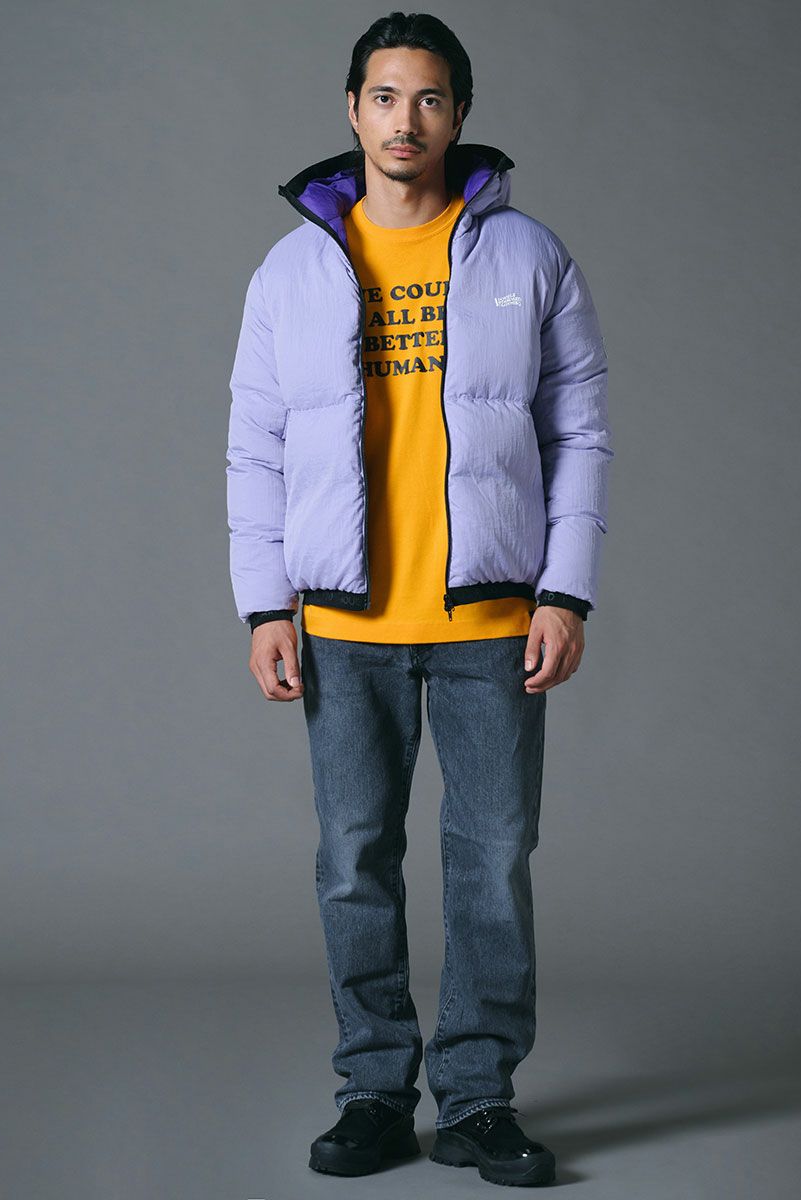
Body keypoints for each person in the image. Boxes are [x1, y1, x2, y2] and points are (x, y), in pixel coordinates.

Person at [226, 11, 611, 1188]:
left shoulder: (528, 256)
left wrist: (565, 593)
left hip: (491, 624)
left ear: (459, 114)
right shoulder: (291, 270)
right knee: (354, 861)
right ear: (353, 109)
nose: (407, 119)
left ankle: (481, 1100)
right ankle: (375, 1094)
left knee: (492, 864)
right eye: (386, 96)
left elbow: (579, 431)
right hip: (343, 627)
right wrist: (265, 607)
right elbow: (253, 446)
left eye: (430, 97)